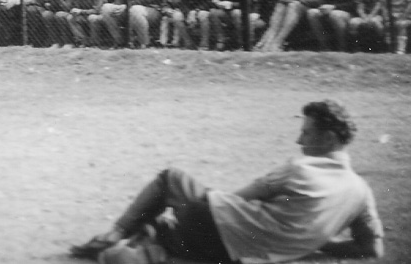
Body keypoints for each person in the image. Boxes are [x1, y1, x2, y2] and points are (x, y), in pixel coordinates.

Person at [71, 100, 384, 264]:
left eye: (306, 133)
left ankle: (118, 235)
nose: (298, 140)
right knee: (186, 230)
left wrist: (187, 210)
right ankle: (155, 248)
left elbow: (237, 198)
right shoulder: (360, 192)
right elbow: (371, 249)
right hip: (248, 255)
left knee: (171, 178)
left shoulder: (300, 167)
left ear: (329, 137)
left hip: (219, 229)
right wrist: (318, 242)